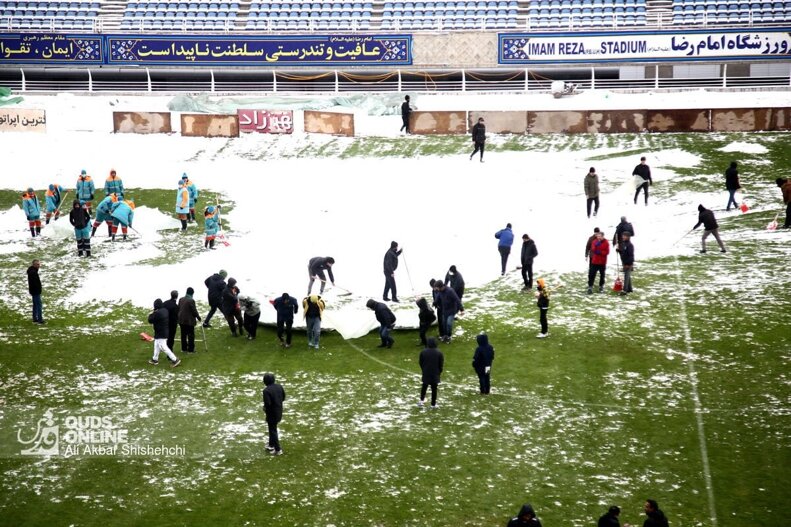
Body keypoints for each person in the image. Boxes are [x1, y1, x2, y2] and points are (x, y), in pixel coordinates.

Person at [147, 299, 181, 367]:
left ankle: (175, 359)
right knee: (156, 345)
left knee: (163, 347)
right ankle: (155, 359)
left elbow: (150, 320)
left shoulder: (157, 313)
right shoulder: (165, 310)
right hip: (163, 331)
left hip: (160, 333)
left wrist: (152, 313)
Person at [262, 372, 286, 456]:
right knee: (272, 428)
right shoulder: (279, 387)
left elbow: (267, 404)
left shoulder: (266, 391)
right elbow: (283, 397)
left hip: (271, 413)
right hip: (279, 410)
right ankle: (271, 444)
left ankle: (278, 449)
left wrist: (264, 408)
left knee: (272, 430)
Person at [418, 337, 444, 409]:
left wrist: (423, 369)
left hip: (426, 371)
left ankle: (421, 400)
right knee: (434, 389)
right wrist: (439, 371)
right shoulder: (439, 353)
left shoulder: (423, 352)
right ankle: (433, 404)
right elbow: (441, 364)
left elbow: (421, 362)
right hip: (435, 373)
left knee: (424, 386)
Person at [177, 287, 201, 353]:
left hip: (181, 320)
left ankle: (184, 348)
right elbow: (194, 310)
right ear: (192, 293)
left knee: (183, 335)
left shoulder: (181, 299)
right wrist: (198, 317)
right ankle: (191, 349)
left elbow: (178, 308)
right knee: (191, 335)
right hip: (189, 320)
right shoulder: (191, 300)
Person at [27, 259, 44, 324]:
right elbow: (35, 283)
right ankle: (40, 319)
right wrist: (38, 290)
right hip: (35, 291)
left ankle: (35, 318)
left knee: (35, 305)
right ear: (34, 264)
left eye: (39, 264)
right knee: (39, 305)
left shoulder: (32, 271)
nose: (39, 265)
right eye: (37, 264)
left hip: (33, 291)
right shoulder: (33, 272)